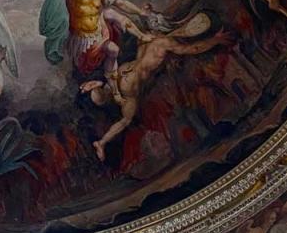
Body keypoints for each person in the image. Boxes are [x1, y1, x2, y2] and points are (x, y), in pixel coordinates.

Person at [79, 14, 232, 160]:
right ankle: (102, 143)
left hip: (130, 85)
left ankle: (102, 143)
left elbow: (106, 77)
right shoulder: (158, 42)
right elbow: (192, 49)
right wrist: (215, 40)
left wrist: (92, 85)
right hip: (135, 87)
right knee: (126, 120)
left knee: (126, 120)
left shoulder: (140, 45)